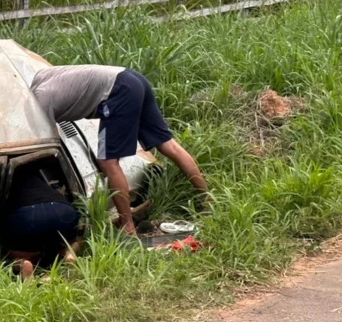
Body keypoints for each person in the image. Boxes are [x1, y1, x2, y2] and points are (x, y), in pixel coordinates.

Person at [30, 65, 208, 235]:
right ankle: (208, 200)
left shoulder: (39, 101)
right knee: (169, 145)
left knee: (107, 162)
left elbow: (52, 146)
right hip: (131, 78)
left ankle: (127, 225)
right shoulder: (40, 77)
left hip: (118, 91)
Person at [2, 166, 81, 278]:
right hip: (63, 209)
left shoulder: (7, 182)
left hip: (27, 216)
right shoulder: (38, 177)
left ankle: (23, 263)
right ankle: (68, 253)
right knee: (74, 240)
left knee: (12, 255)